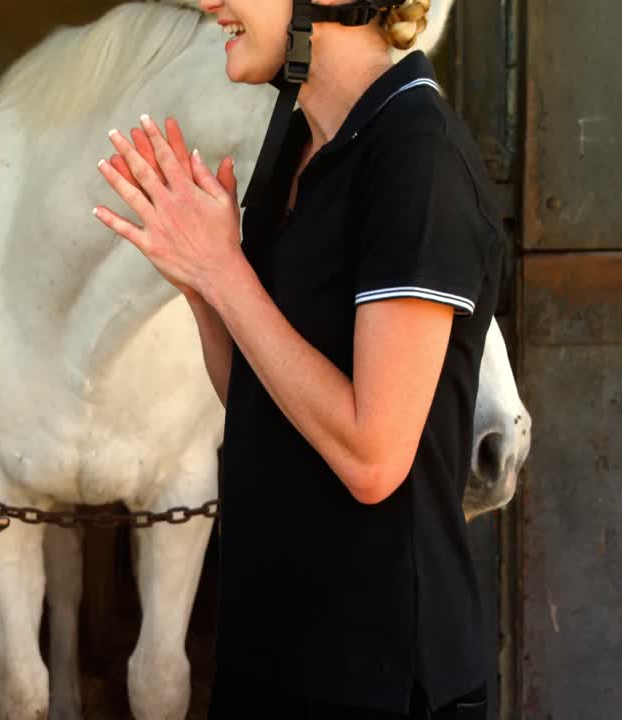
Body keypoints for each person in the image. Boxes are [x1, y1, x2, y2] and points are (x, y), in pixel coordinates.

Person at [92, 0, 502, 717]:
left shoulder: (416, 153)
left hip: (377, 679)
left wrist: (225, 274)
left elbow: (372, 459)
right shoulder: (296, 136)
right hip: (269, 654)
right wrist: (198, 286)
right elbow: (254, 398)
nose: (209, 1)